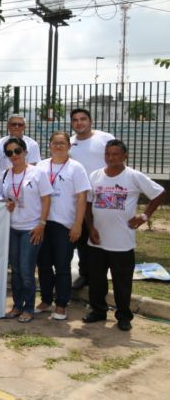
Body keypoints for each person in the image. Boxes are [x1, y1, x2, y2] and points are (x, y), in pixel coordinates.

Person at [83, 139, 165, 331]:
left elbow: (159, 193)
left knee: (122, 282)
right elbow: (87, 203)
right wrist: (91, 227)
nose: (111, 158)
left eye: (115, 154)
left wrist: (144, 216)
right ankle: (98, 311)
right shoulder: (95, 176)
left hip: (122, 242)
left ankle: (124, 316)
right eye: (108, 154)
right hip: (97, 241)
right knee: (96, 280)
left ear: (124, 156)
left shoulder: (133, 177)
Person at [35, 131, 90, 321]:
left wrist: (78, 225)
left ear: (69, 146)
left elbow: (82, 198)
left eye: (62, 143)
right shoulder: (41, 166)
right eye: (55, 143)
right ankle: (46, 300)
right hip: (42, 222)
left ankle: (61, 304)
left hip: (64, 224)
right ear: (49, 145)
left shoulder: (76, 168)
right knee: (43, 264)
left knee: (62, 266)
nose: (58, 146)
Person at [0, 137, 52, 323]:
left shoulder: (37, 173)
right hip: (13, 228)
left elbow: (46, 199)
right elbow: (1, 196)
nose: (14, 155)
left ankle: (29, 307)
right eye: (9, 153)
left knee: (27, 270)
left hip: (31, 228)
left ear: (25, 152)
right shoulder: (5, 175)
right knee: (16, 270)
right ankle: (17, 305)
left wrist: (42, 224)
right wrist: (6, 203)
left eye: (17, 151)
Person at [69, 107, 116, 290]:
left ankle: (101, 277)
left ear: (90, 121)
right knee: (82, 240)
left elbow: (116, 161)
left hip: (103, 198)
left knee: (102, 238)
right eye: (75, 120)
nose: (79, 123)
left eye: (83, 119)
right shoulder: (70, 143)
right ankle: (84, 275)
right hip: (80, 200)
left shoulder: (105, 138)